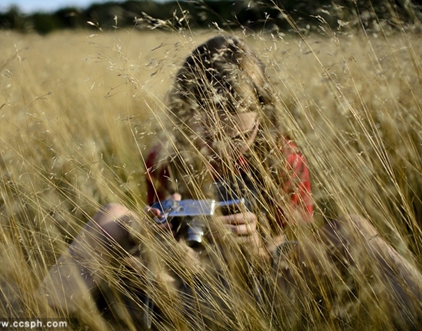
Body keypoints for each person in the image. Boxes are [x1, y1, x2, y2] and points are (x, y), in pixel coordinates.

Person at [39, 36, 422, 329]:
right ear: (185, 114)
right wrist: (172, 242)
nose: (222, 150)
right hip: (186, 282)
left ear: (261, 115)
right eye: (207, 136)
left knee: (352, 227)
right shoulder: (165, 155)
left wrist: (257, 245)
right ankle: (33, 315)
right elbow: (162, 228)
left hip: (269, 283)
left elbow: (300, 246)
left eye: (239, 138)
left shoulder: (283, 156)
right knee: (114, 216)